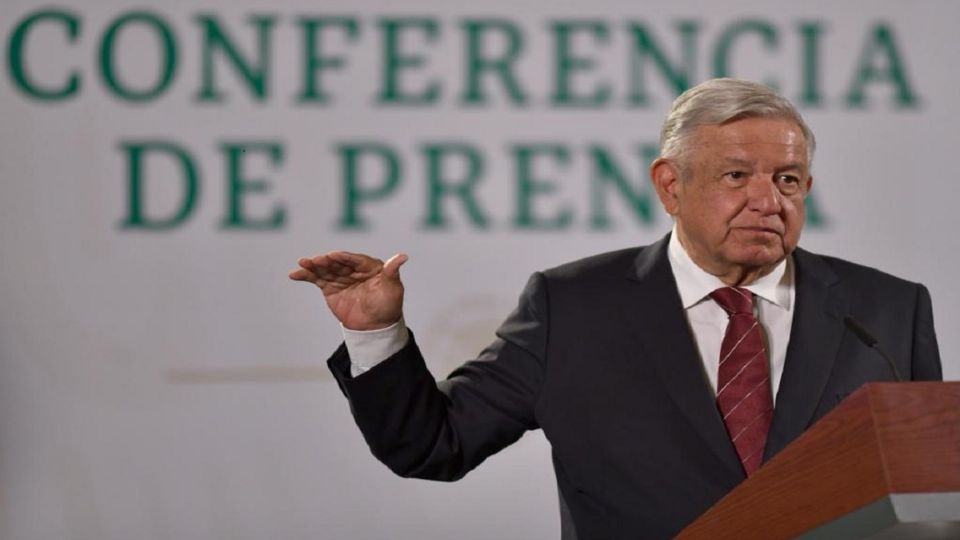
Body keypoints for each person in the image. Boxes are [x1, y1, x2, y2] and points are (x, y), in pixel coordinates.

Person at [289, 78, 942, 539]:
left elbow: (928, 491)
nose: (768, 200)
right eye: (737, 176)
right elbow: (434, 447)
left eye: (788, 180)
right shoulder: (573, 308)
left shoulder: (885, 310)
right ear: (670, 184)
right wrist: (377, 331)